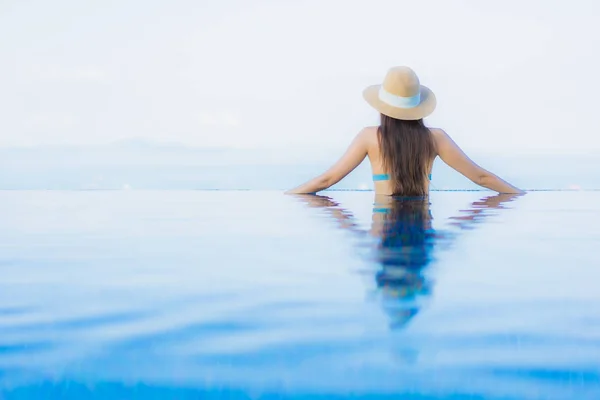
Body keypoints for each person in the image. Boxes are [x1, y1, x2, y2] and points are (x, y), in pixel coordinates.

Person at [286, 66, 523, 196]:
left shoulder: (370, 137)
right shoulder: (435, 138)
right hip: (422, 222)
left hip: (383, 220)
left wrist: (288, 196)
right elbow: (481, 178)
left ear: (383, 105)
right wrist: (521, 195)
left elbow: (327, 180)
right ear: (417, 105)